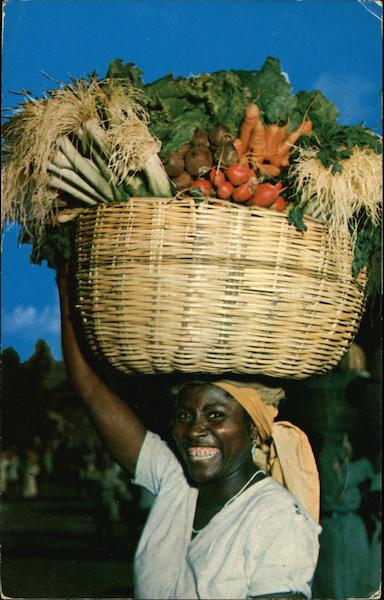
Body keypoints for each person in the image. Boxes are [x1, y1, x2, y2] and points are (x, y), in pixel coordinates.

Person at [57, 264, 321, 600]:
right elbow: (92, 393)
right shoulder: (176, 483)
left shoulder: (277, 519)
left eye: (215, 415)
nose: (196, 428)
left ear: (254, 430)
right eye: (185, 414)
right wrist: (67, 297)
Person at [312, 431, 375, 599]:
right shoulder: (324, 454)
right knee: (330, 580)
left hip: (352, 522)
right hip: (329, 523)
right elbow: (336, 485)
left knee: (356, 578)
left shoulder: (360, 462)